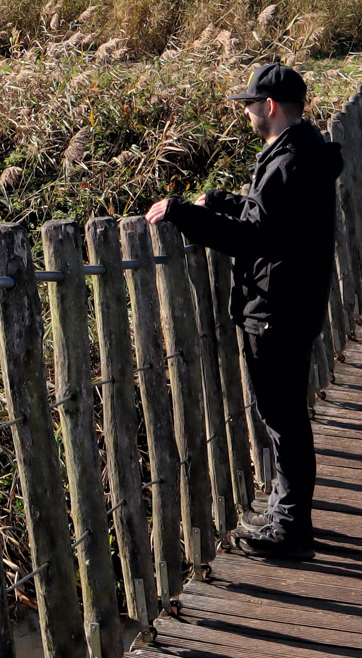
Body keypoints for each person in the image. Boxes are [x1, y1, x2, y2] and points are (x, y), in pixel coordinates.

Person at [145, 60, 342, 560]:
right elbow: (276, 219)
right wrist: (226, 201)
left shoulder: (286, 162)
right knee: (287, 417)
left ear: (270, 106)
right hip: (295, 306)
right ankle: (287, 515)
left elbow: (259, 238)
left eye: (252, 105)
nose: (248, 113)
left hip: (276, 312)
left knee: (284, 420)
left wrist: (184, 212)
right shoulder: (304, 154)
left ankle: (290, 528)